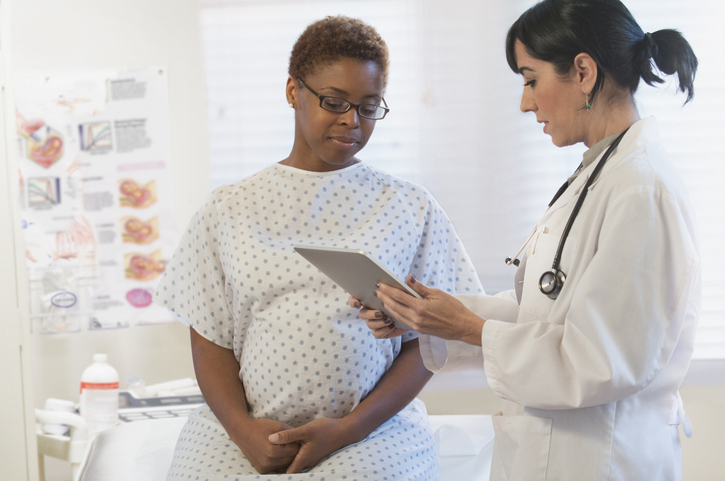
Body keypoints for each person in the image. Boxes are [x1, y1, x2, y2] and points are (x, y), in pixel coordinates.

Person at [354, 1, 700, 480]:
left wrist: (469, 328)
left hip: (603, 461)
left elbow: (601, 360)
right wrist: (427, 316)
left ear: (583, 72)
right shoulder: (599, 174)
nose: (525, 102)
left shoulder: (640, 189)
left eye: (530, 79)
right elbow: (544, 313)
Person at [154, 15, 483, 480]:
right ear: (293, 91)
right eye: (335, 102)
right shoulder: (229, 208)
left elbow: (431, 343)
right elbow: (210, 336)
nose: (352, 121)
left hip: (371, 429)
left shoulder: (409, 207)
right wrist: (242, 430)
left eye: (369, 108)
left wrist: (349, 429)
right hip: (246, 426)